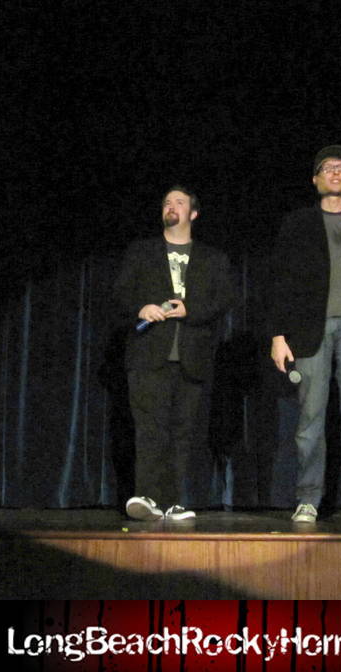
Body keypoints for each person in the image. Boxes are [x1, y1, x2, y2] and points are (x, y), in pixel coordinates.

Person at [269, 145, 341, 526]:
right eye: (327, 168)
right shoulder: (298, 223)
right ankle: (307, 498)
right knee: (310, 418)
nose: (335, 172)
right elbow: (281, 280)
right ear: (315, 179)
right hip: (309, 328)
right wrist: (278, 335)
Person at [113, 186, 232, 520]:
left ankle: (173, 501)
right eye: (167, 202)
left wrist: (189, 310)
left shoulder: (212, 258)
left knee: (183, 433)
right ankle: (147, 497)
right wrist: (141, 308)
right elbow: (120, 294)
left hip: (192, 357)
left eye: (179, 202)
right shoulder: (142, 251)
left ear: (193, 213)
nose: (171, 206)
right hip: (149, 354)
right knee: (150, 430)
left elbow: (224, 300)